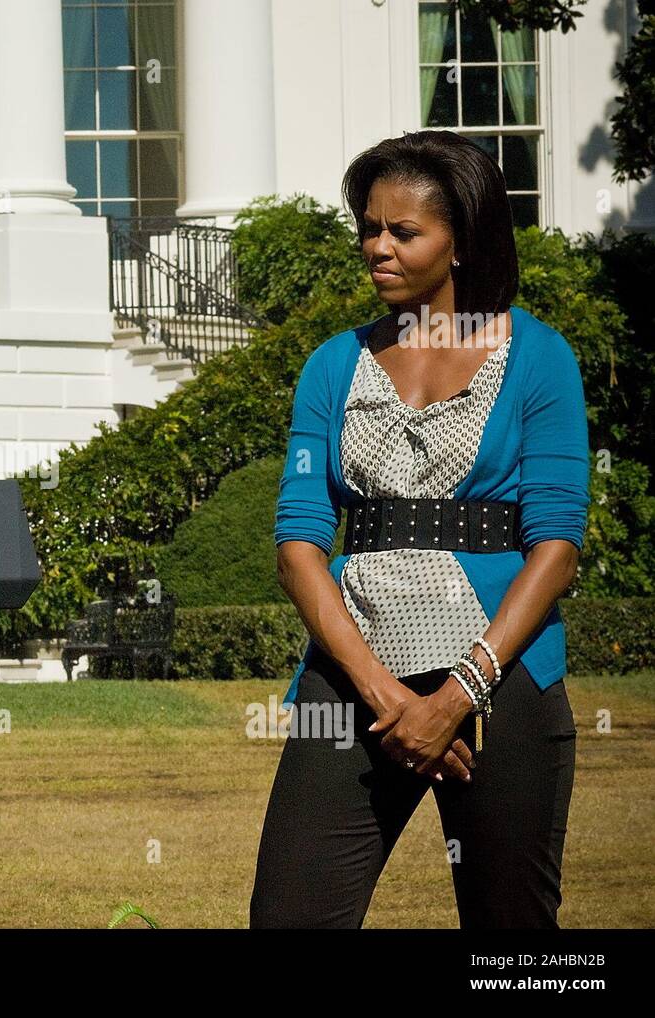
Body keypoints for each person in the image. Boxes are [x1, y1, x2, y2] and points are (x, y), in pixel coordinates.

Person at [249, 130, 589, 929]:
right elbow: (300, 545)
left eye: (404, 232)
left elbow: (556, 547)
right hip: (352, 679)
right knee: (288, 916)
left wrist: (457, 695)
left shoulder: (540, 358)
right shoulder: (333, 365)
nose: (378, 247)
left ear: (462, 241)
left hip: (503, 681)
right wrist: (384, 694)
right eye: (370, 228)